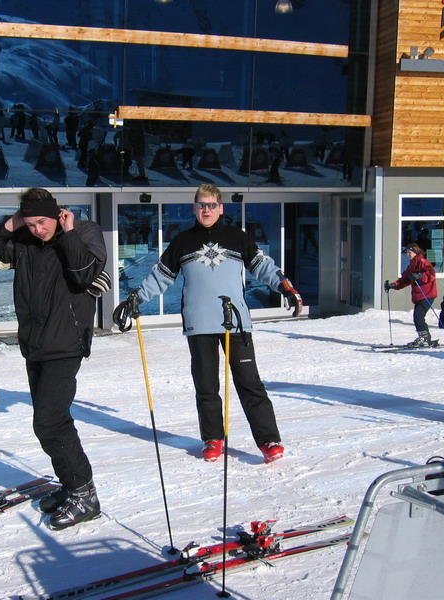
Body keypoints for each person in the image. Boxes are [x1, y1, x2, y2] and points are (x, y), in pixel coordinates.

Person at [113, 184, 303, 464]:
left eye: (212, 205)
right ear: (194, 208)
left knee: (250, 384)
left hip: (235, 323)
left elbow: (263, 267)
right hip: (198, 324)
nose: (206, 210)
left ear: (221, 208)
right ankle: (212, 438)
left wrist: (285, 287)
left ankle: (268, 440)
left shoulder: (237, 237)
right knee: (206, 386)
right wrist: (136, 298)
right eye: (201, 205)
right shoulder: (182, 241)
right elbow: (161, 277)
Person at [0, 188, 110, 529]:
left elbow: (84, 273)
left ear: (57, 214)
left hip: (66, 342)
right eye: (30, 224)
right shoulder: (24, 240)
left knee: (50, 421)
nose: (38, 230)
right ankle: (70, 485)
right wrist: (11, 225)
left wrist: (69, 233)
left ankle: (85, 495)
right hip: (34, 344)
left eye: (42, 223)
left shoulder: (84, 231)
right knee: (50, 421)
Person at [384, 243, 437, 347]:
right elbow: (405, 279)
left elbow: (431, 275)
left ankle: (425, 338)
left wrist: (419, 276)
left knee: (418, 316)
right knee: (417, 317)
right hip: (419, 295)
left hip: (427, 294)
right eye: (407, 253)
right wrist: (393, 285)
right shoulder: (412, 265)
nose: (408, 255)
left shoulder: (423, 262)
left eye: (409, 253)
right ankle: (424, 337)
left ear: (415, 252)